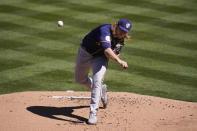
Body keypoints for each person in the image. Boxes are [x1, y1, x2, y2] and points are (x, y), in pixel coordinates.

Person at [75, 19, 132, 124]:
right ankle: (102, 91)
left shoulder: (121, 40)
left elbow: (114, 53)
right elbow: (107, 50)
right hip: (86, 52)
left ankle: (93, 113)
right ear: (117, 26)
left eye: (125, 32)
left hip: (100, 57)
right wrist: (119, 60)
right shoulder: (104, 30)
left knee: (97, 80)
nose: (123, 33)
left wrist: (114, 56)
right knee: (80, 79)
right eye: (121, 30)